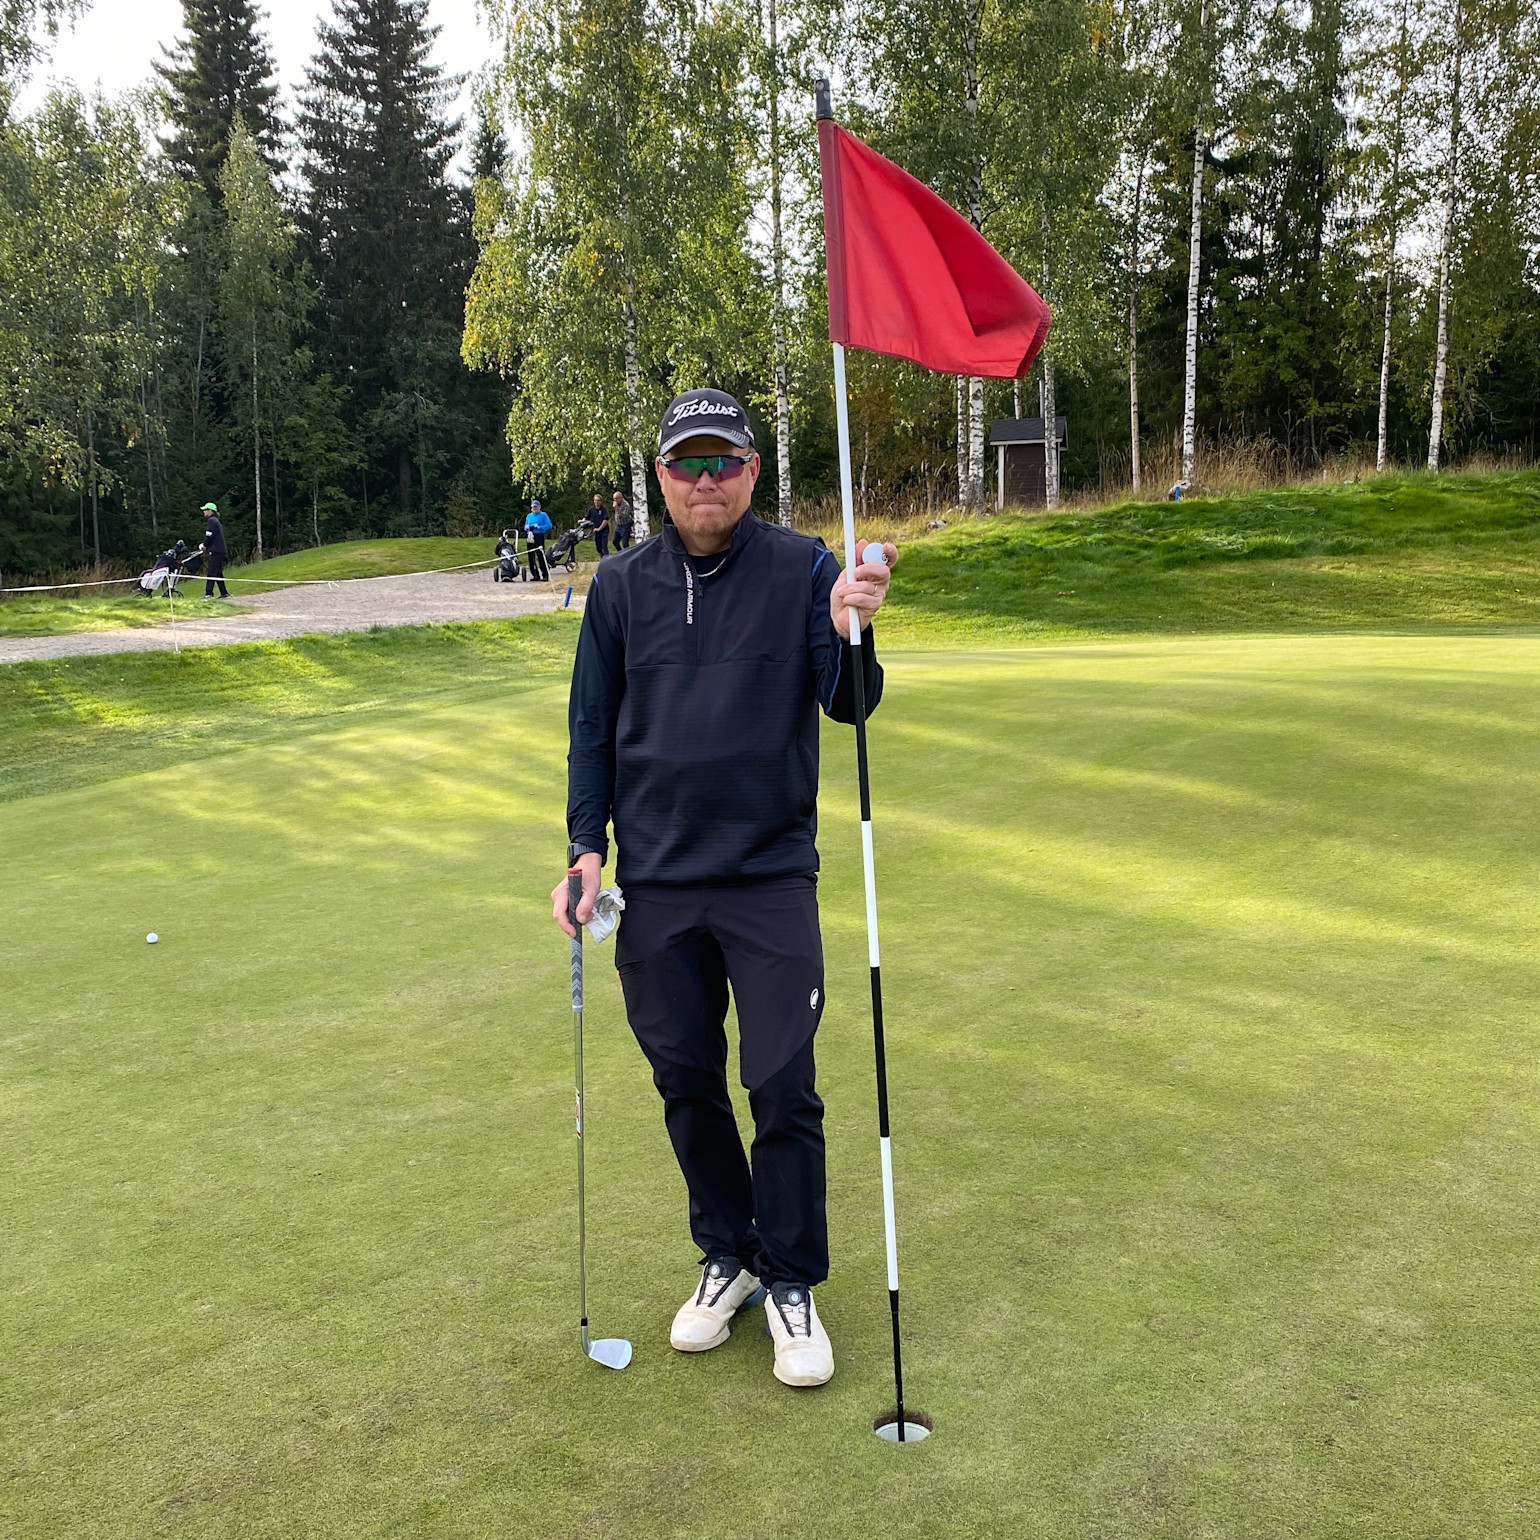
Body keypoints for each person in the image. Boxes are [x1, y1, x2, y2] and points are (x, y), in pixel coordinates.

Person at [552, 386, 896, 1390]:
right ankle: (730, 1256)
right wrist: (586, 851)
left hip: (769, 875)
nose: (705, 481)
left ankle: (792, 1279)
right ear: (660, 476)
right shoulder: (619, 586)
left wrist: (853, 628)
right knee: (686, 1080)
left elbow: (850, 704)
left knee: (781, 1081)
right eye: (686, 464)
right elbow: (590, 727)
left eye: (724, 462)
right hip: (656, 881)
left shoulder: (804, 571)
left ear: (752, 469)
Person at [200, 502, 228, 597]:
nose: (204, 512)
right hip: (220, 550)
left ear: (210, 511)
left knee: (212, 572)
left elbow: (209, 536)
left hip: (216, 550)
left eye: (205, 510)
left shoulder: (211, 521)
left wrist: (204, 545)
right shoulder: (215, 520)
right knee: (218, 572)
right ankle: (224, 593)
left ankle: (209, 593)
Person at [525, 499, 552, 582]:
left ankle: (545, 574)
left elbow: (549, 525)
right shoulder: (529, 516)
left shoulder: (543, 515)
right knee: (531, 556)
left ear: (539, 507)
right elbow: (525, 525)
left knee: (540, 555)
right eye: (533, 507)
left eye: (536, 507)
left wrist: (539, 527)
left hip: (539, 535)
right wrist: (527, 528)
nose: (535, 508)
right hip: (530, 536)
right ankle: (535, 575)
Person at [588, 492, 611, 558]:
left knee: (604, 546)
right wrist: (582, 521)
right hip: (596, 531)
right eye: (595, 500)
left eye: (598, 500)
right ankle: (602, 557)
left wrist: (599, 529)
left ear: (601, 501)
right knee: (598, 547)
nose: (597, 502)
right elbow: (587, 518)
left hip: (604, 531)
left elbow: (605, 520)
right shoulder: (591, 509)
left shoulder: (604, 510)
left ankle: (607, 559)